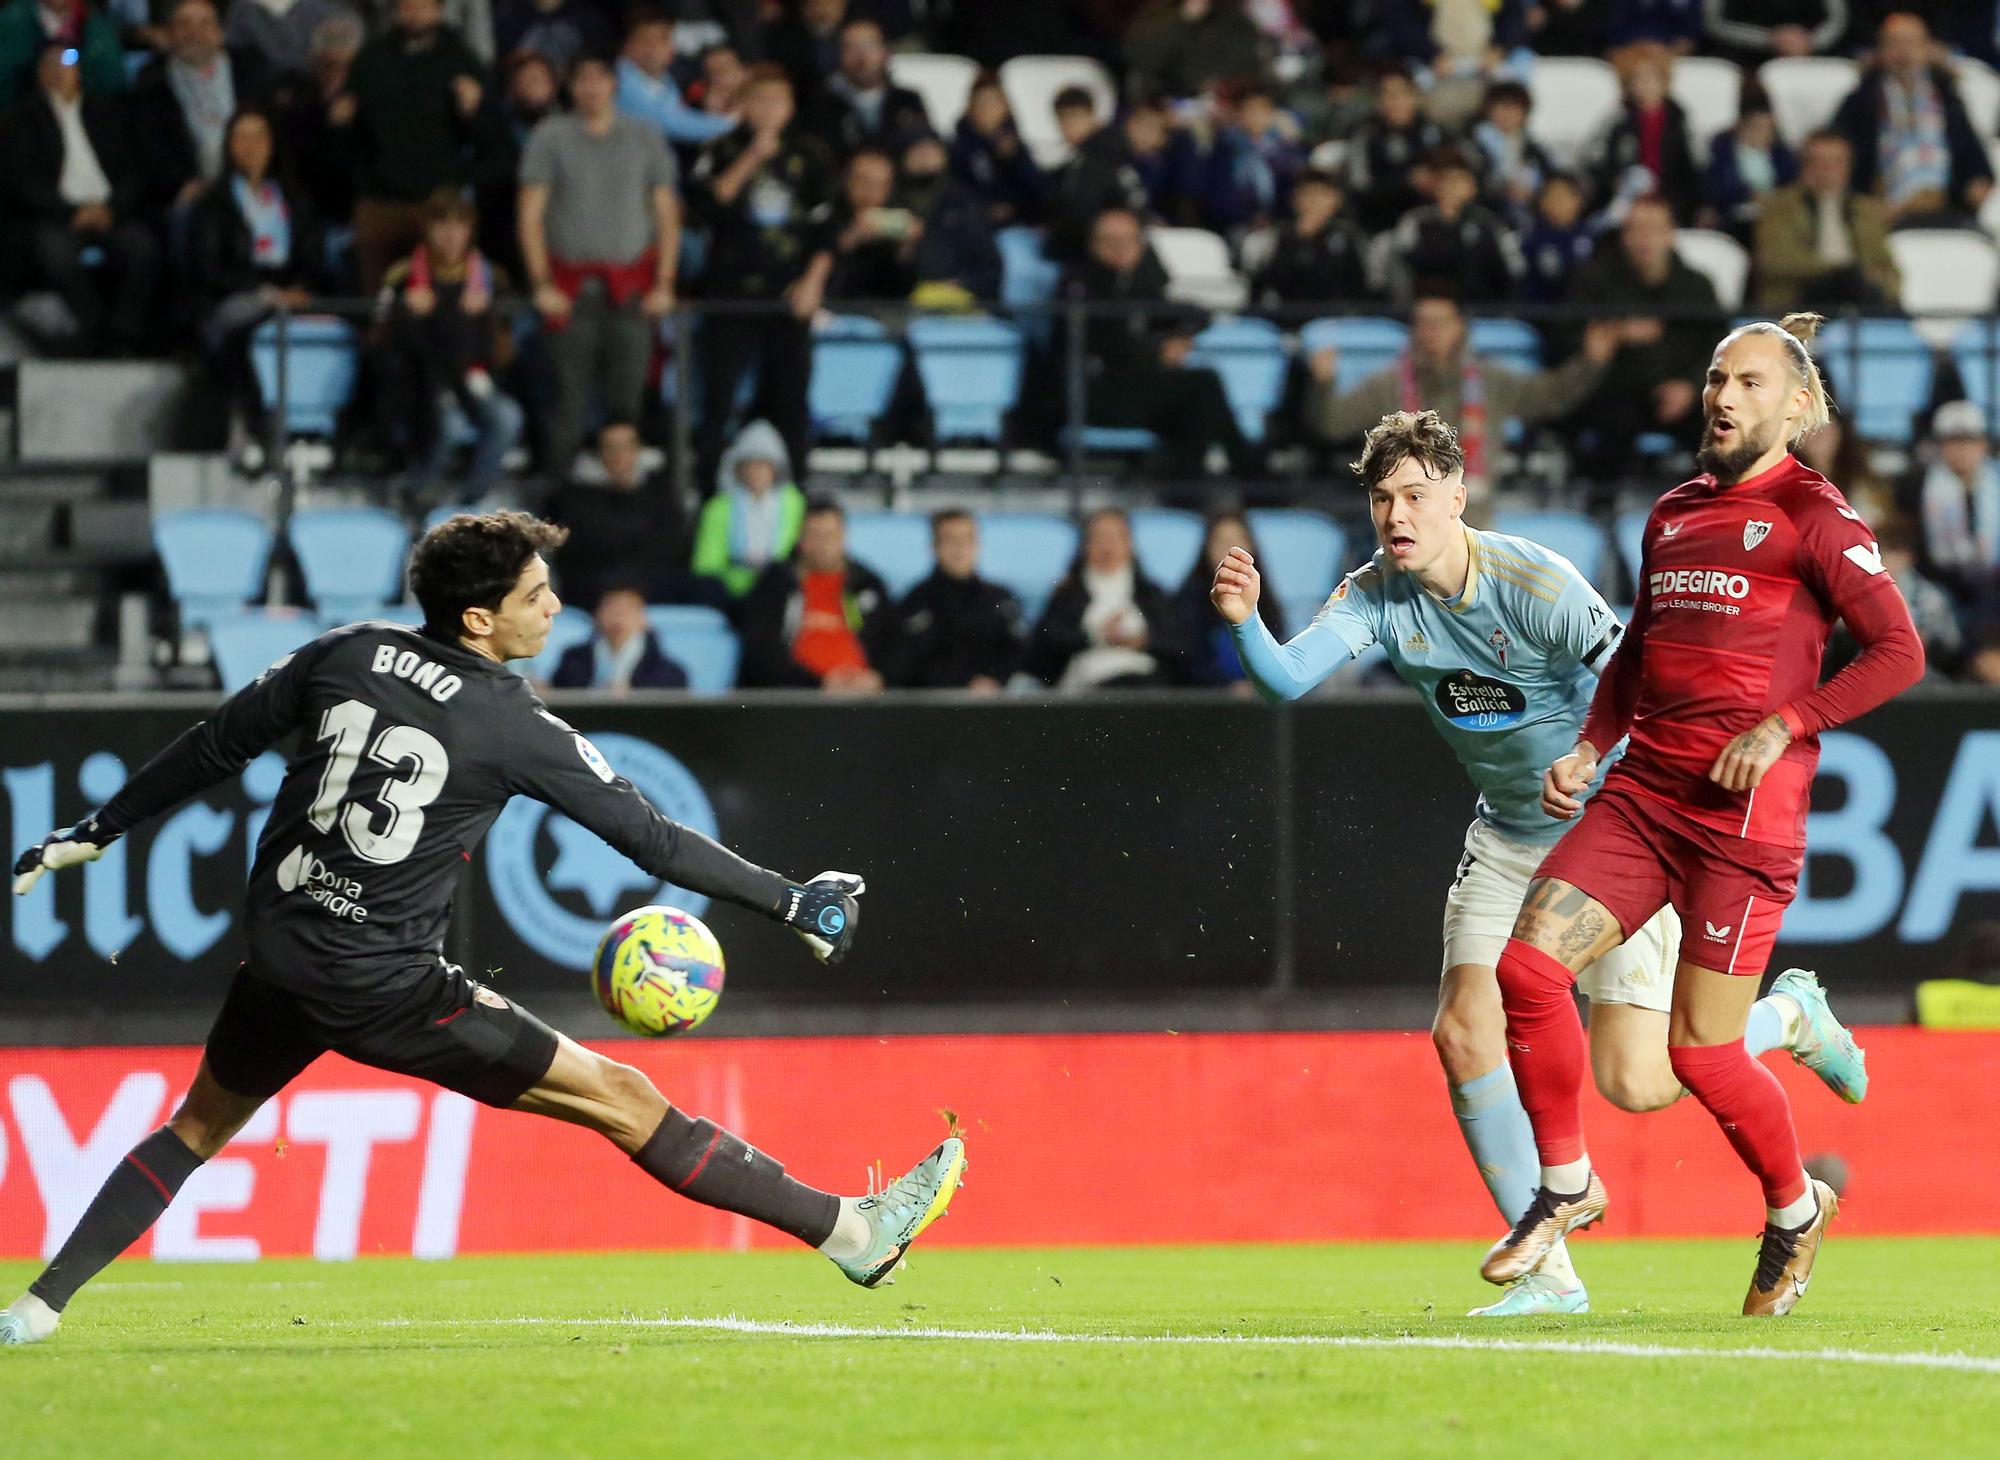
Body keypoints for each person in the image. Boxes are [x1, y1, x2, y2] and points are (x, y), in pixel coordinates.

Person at [0, 510, 965, 1347]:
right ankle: (851, 1233)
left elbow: (215, 745)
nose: (555, 607)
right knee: (622, 1096)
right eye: (537, 594)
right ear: (479, 618)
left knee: (196, 1128)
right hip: (384, 985)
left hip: (282, 958)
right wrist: (793, 900)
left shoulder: (346, 650)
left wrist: (97, 829)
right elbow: (655, 841)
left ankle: (38, 1307)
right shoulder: (512, 725)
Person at [1213, 406, 1866, 1316]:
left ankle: (1788, 1018)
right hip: (1509, 838)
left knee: (1639, 1081)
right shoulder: (1372, 595)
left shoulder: (1535, 583)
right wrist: (1246, 623)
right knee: (1461, 1029)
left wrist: (1593, 761)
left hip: (1611, 830)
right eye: (1379, 498)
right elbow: (1286, 679)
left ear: (1456, 495)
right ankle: (1553, 1277)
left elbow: (1644, 681)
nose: (1395, 514)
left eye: (1412, 494)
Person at [1480, 314, 1924, 1316]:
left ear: (1796, 408)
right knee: (1524, 966)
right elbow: (1637, 651)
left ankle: (1790, 1207)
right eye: (1717, 377)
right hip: (1643, 796)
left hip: (1741, 819)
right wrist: (1591, 743)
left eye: (1751, 382)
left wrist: (1784, 726)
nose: (1723, 396)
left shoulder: (1817, 515)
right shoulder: (1672, 511)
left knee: (1696, 1055)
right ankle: (1561, 1184)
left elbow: (1898, 650)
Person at [518, 50, 680, 479]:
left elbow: (665, 213)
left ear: (614, 84)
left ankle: (624, 506)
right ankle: (554, 509)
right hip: (570, 293)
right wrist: (540, 283)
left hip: (631, 290)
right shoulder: (551, 137)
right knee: (567, 406)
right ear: (571, 86)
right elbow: (530, 214)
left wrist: (664, 283)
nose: (591, 88)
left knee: (627, 407)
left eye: (599, 78)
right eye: (582, 78)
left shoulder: (644, 136)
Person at [1307, 293, 1619, 503]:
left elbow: (1552, 396)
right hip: (1408, 521)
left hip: (1475, 523)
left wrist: (1590, 362)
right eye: (1423, 324)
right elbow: (1333, 423)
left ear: (1460, 328)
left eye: (1440, 323)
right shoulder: (1387, 384)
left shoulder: (1490, 380)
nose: (1431, 332)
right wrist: (1323, 384)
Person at [687, 64, 836, 485]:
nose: (769, 109)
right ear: (744, 105)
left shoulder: (811, 154)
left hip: (788, 294)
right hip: (730, 291)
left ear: (790, 107)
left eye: (778, 101)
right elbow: (708, 208)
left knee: (791, 401)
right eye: (760, 100)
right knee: (718, 399)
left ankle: (800, 494)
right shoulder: (722, 147)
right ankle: (703, 489)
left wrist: (813, 283)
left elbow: (827, 227)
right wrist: (755, 153)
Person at [1062, 206, 1255, 479]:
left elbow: (1195, 314)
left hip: (1138, 387)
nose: (1120, 248)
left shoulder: (1144, 283)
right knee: (1204, 385)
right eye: (1109, 240)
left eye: (1128, 240)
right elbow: (1103, 344)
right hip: (1093, 392)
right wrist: (1157, 351)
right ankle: (1250, 476)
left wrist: (1178, 338)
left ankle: (1190, 485)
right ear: (1092, 244)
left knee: (1198, 402)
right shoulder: (1078, 285)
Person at [3, 41, 162, 354]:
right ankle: (92, 328)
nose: (63, 66)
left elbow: (132, 171)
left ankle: (123, 334)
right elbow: (23, 182)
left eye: (70, 59)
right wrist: (70, 212)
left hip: (108, 210)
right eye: (54, 61)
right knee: (55, 252)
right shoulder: (22, 121)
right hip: (57, 216)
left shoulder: (107, 114)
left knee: (145, 248)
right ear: (39, 72)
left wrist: (110, 209)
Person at [337, 0, 506, 292]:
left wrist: (474, 113)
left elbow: (493, 141)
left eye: (423, 6)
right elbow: (349, 131)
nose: (414, 12)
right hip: (379, 199)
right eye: (407, 6)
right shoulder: (371, 58)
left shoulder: (460, 59)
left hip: (436, 201)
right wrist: (342, 124)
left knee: (443, 294)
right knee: (375, 298)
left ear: (439, 10)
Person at [376, 190, 523, 508]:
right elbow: (378, 340)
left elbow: (506, 350)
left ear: (471, 230)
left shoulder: (490, 278)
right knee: (447, 421)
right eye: (441, 224)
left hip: (474, 379)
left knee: (508, 417)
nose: (451, 235)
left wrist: (490, 316)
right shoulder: (403, 276)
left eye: (460, 224)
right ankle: (417, 492)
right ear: (427, 229)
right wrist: (405, 314)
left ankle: (470, 500)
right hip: (423, 383)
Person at [190, 105, 325, 446]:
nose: (251, 146)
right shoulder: (213, 203)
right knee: (253, 326)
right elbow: (209, 268)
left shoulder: (295, 199)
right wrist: (264, 292)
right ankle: (257, 423)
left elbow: (313, 256)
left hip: (291, 294)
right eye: (242, 137)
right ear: (229, 146)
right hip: (234, 296)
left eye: (259, 137)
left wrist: (299, 288)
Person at [1563, 194, 1721, 469]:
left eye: (1654, 229)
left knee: (1723, 420)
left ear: (1670, 234)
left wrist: (1690, 386)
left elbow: (1719, 345)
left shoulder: (1697, 286)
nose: (1645, 238)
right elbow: (1565, 339)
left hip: (1685, 392)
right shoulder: (1595, 281)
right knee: (1611, 418)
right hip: (1618, 391)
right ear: (1624, 236)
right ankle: (1602, 499)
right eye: (1637, 229)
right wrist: (1615, 333)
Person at [1831, 10, 1993, 226]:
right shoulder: (1861, 100)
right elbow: (1842, 152)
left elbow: (1973, 156)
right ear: (1880, 51)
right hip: (1882, 209)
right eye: (1894, 44)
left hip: (1945, 205)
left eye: (1911, 44)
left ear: (1928, 49)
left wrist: (1977, 183)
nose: (1903, 53)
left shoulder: (1947, 98)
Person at [129, 0, 270, 228]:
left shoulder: (249, 70)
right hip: (193, 188)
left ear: (219, 33)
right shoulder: (152, 84)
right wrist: (181, 185)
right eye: (184, 25)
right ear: (169, 34)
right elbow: (151, 151)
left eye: (204, 24)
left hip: (254, 179)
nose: (194, 33)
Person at [737, 497, 895, 692]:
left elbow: (890, 644)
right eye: (814, 535)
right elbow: (761, 651)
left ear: (843, 536)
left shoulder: (867, 584)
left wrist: (879, 678)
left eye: (830, 535)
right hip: (796, 696)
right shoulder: (775, 584)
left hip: (862, 695)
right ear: (800, 538)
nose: (822, 544)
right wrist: (818, 683)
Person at [1029, 507, 1192, 689]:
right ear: (1085, 545)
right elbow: (1044, 645)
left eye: (1115, 537)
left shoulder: (1150, 594)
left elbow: (1180, 645)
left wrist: (1141, 641)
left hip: (1145, 684)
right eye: (1099, 537)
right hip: (1084, 686)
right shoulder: (1068, 594)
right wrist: (1096, 637)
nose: (1107, 546)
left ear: (1129, 544)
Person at [546, 420, 692, 611]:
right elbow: (576, 553)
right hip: (594, 589)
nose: (619, 455)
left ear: (638, 450)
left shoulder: (660, 492)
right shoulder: (572, 497)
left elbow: (673, 544)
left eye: (627, 447)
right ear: (599, 452)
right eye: (611, 447)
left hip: (649, 583)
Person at [1752, 130, 1899, 310]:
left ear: (1848, 167)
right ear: (1803, 166)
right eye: (1818, 162)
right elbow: (1775, 260)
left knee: (1858, 286)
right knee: (1844, 280)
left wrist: (1875, 279)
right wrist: (1835, 269)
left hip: (1859, 292)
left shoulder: (1866, 210)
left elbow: (1887, 267)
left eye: (1835, 163)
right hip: (1801, 295)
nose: (1826, 171)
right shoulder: (1779, 207)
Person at [892, 509, 1023, 690]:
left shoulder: (1001, 599)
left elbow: (1020, 653)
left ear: (978, 544)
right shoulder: (915, 603)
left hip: (995, 706)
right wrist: (964, 684)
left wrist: (995, 681)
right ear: (934, 547)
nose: (959, 547)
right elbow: (905, 665)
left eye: (967, 539)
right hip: (934, 710)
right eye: (950, 539)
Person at [1384, 146, 1522, 305]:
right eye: (1446, 180)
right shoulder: (1416, 221)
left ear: (1472, 188)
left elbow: (1511, 270)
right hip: (1429, 311)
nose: (1452, 187)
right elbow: (1400, 266)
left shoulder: (1489, 223)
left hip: (1483, 312)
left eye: (1459, 180)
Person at [692, 419, 806, 600]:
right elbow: (706, 565)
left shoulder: (796, 504)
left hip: (781, 591)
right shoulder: (719, 508)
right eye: (750, 464)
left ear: (775, 467)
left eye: (762, 464)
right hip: (732, 592)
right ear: (738, 469)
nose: (756, 472)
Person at [1040, 83, 1149, 261]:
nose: (1068, 125)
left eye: (1075, 117)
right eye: (1062, 118)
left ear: (1092, 117)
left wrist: (1053, 244)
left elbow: (1082, 212)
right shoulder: (1087, 154)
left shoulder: (1100, 157)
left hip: (1106, 254)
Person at [1176, 510, 1282, 690]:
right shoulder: (1187, 603)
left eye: (1238, 541)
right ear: (1206, 548)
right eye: (1221, 542)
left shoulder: (1267, 602)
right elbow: (1186, 665)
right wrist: (1227, 687)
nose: (1231, 550)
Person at [1592, 47, 1700, 224]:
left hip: (1671, 200)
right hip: (1625, 201)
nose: (1643, 85)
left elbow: (1692, 166)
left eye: (1650, 78)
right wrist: (1614, 182)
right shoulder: (1616, 120)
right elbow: (1600, 161)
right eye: (1636, 79)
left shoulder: (1680, 120)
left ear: (1664, 81)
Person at [1344, 64, 1454, 233]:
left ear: (1415, 96)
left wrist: (1440, 181)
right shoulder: (1366, 136)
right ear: (1378, 100)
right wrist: (1407, 181)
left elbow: (1466, 171)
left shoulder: (1436, 131)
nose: (1395, 101)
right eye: (1387, 95)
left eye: (1402, 93)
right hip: (1384, 224)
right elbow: (1360, 187)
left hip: (1435, 221)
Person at [1244, 167, 1374, 307]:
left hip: (1340, 321)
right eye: (1307, 194)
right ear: (1295, 199)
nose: (1313, 201)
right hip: (1289, 320)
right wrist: (1300, 240)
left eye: (1321, 194)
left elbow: (1361, 285)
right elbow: (1265, 285)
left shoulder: (1350, 237)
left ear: (1336, 199)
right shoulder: (1277, 237)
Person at [1913, 398, 2000, 602]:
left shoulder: (1995, 480)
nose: (1961, 450)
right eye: (1952, 441)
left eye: (1968, 441)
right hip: (1940, 585)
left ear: (1982, 445)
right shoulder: (1919, 487)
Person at [807, 15, 927, 159]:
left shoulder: (908, 100)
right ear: (839, 55)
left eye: (870, 45)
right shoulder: (822, 105)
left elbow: (925, 147)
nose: (862, 57)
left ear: (886, 51)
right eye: (851, 47)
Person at [616, 7, 734, 148]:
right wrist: (730, 121)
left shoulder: (664, 78)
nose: (654, 48)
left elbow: (679, 113)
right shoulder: (620, 77)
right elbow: (668, 123)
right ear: (627, 45)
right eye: (645, 41)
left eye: (662, 40)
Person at [548, 583, 689, 691]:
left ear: (643, 619)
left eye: (627, 610)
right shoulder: (573, 660)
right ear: (597, 614)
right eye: (611, 608)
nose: (618, 617)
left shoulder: (669, 672)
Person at [949, 68, 1041, 228]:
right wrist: (986, 209)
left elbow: (1040, 193)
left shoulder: (1017, 147)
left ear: (1005, 107)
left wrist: (1014, 159)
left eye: (994, 102)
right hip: (973, 228)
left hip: (1019, 227)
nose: (988, 110)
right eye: (981, 103)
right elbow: (955, 194)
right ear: (970, 108)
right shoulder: (958, 149)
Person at [0, 0, 125, 109]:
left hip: (87, 122)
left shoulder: (98, 31)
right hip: (26, 124)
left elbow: (114, 91)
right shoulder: (10, 25)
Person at [1703, 101, 1797, 238]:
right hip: (1735, 212)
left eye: (1767, 128)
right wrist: (1748, 195)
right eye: (1757, 127)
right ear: (1742, 127)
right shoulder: (1723, 154)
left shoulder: (1782, 155)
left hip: (1776, 210)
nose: (1762, 133)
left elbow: (1791, 183)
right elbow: (1718, 187)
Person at [1517, 172, 1593, 305]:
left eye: (1564, 196)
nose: (1558, 202)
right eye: (1551, 195)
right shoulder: (1529, 240)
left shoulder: (1594, 236)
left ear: (1579, 200)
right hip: (1541, 313)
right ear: (1541, 201)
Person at [224, 0, 353, 78]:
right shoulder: (243, 9)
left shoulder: (319, 7)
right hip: (262, 90)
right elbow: (232, 51)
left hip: (314, 84)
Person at [490, 0, 612, 75]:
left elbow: (598, 65)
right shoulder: (509, 16)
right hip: (524, 104)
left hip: (577, 99)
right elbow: (501, 67)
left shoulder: (588, 18)